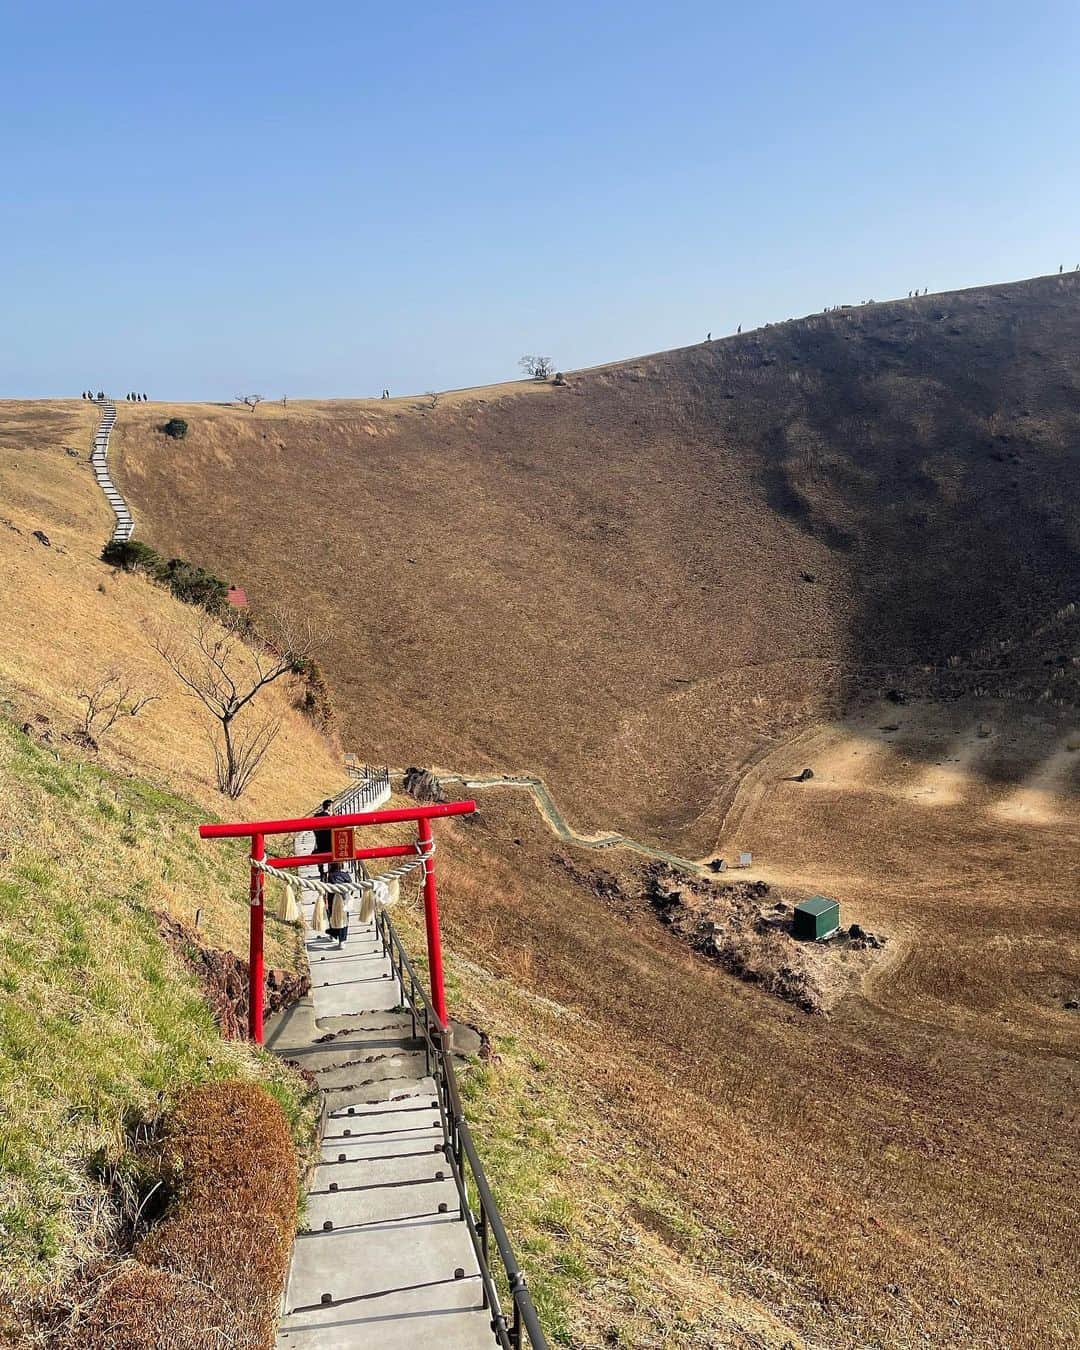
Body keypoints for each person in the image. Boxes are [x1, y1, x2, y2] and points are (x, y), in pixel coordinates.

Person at [325, 863, 353, 947]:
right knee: (344, 920)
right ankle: (342, 941)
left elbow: (328, 889)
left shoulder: (330, 876)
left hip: (333, 901)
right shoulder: (346, 875)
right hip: (344, 900)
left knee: (333, 918)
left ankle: (333, 935)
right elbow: (351, 887)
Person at [312, 799, 334, 879]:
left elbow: (313, 827)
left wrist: (317, 835)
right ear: (329, 807)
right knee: (331, 856)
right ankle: (330, 873)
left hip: (320, 839)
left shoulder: (316, 816)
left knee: (320, 855)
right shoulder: (332, 816)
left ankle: (321, 872)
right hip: (330, 840)